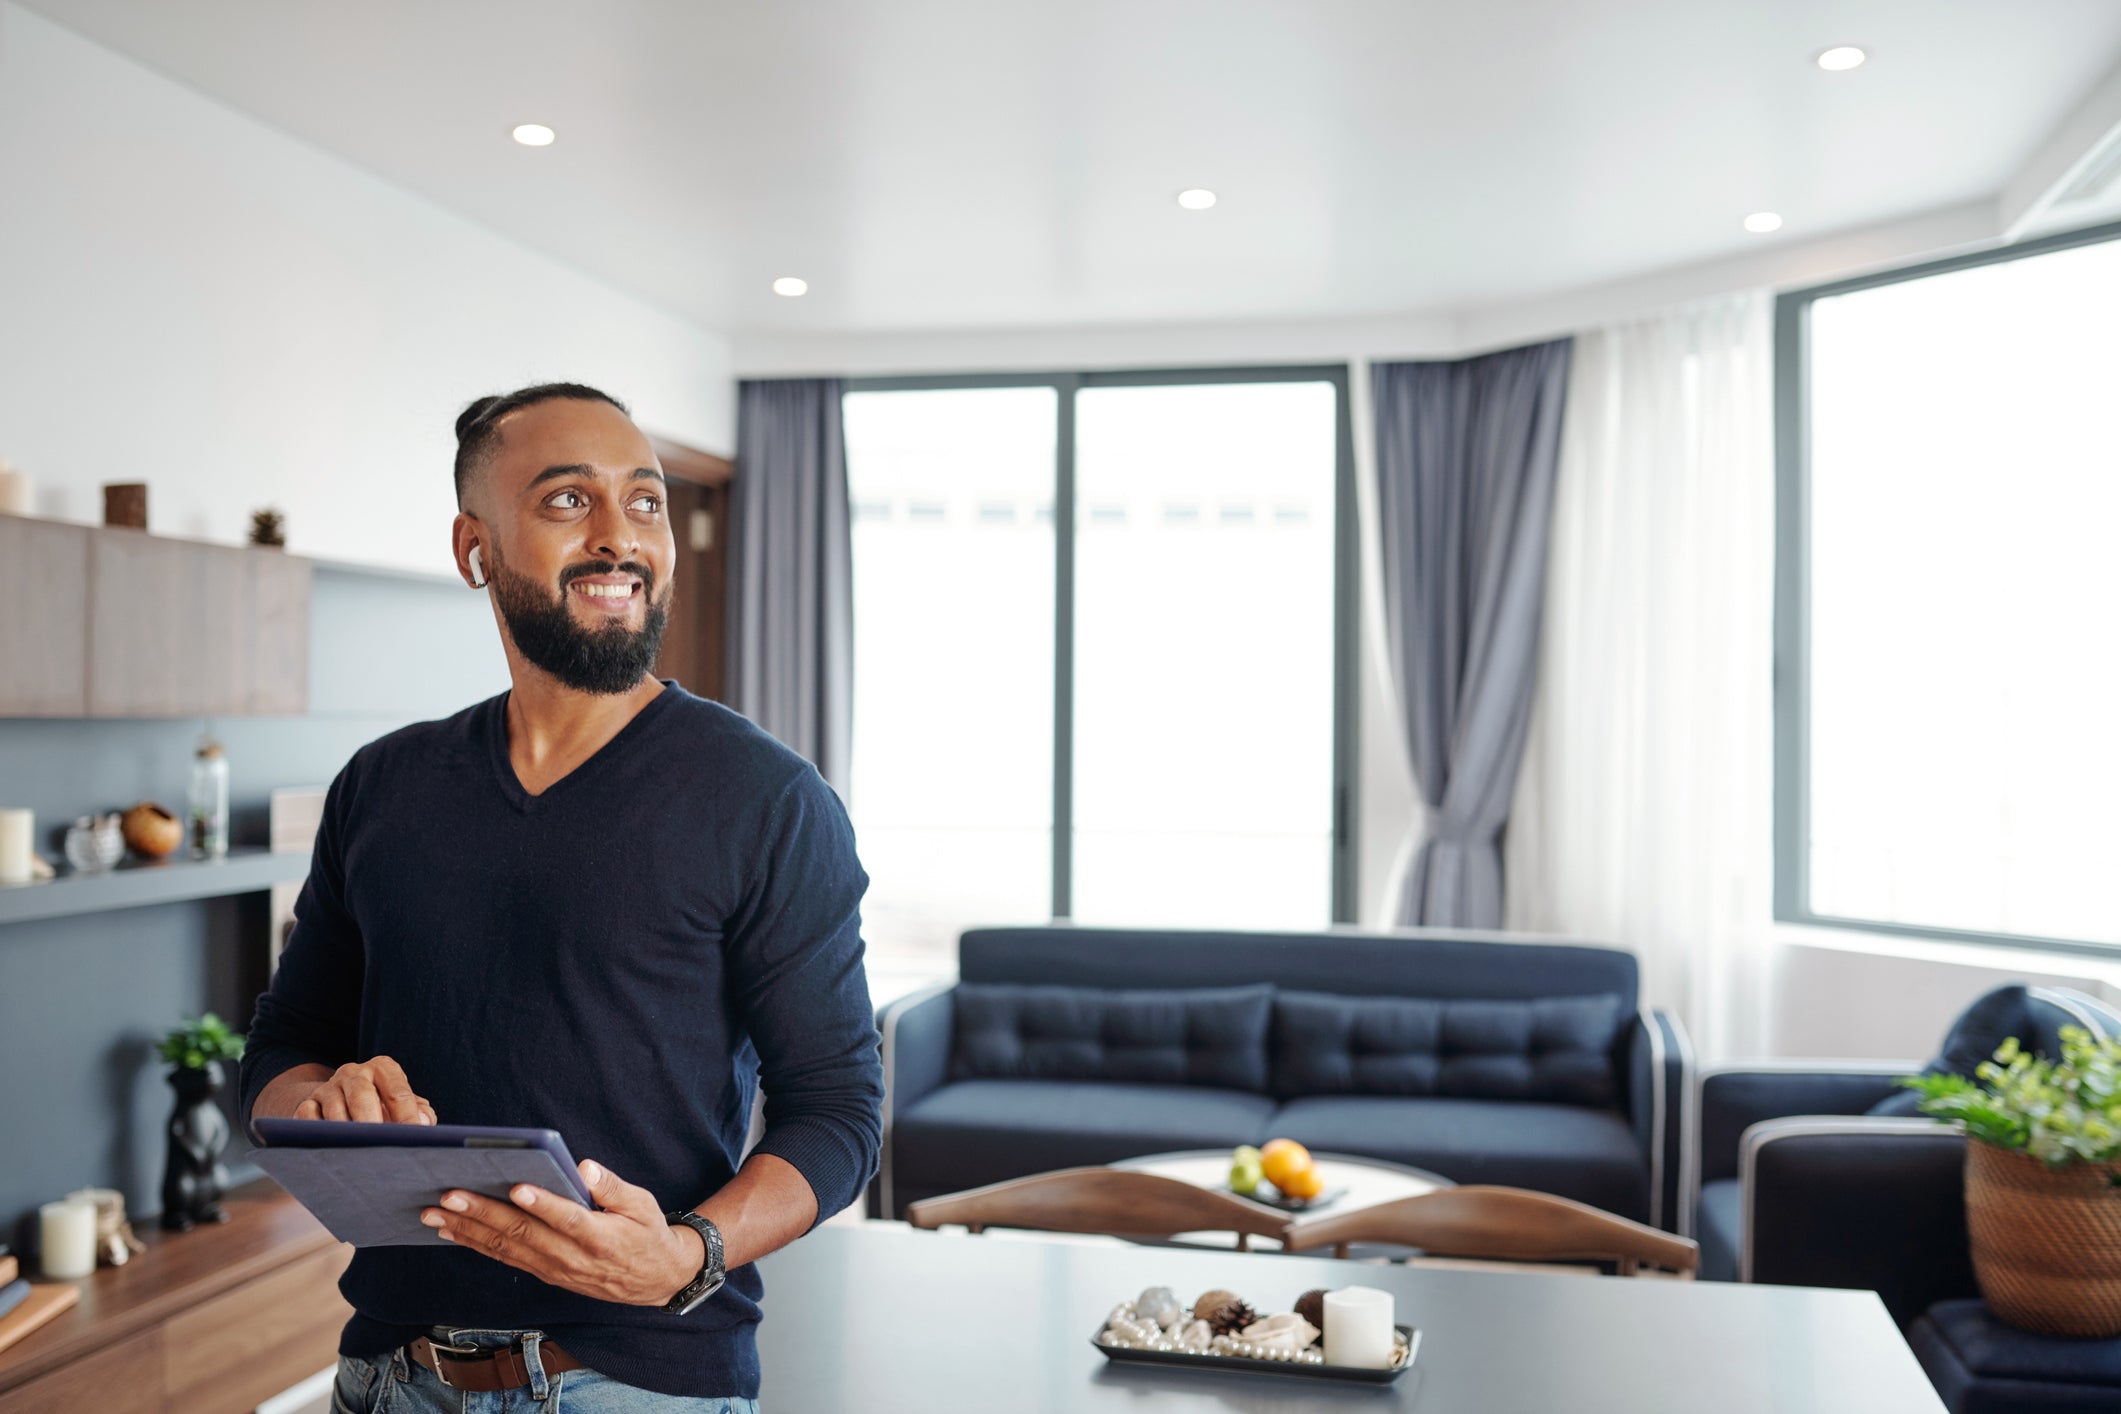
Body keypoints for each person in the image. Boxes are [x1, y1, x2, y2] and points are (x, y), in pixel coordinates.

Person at [240, 382, 882, 1412]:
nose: (620, 538)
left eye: (645, 502)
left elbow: (841, 1113)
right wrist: (323, 1102)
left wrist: (688, 1250)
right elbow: (280, 1050)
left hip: (640, 1382)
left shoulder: (766, 800)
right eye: (567, 501)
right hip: (386, 1378)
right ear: (474, 547)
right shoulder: (383, 785)